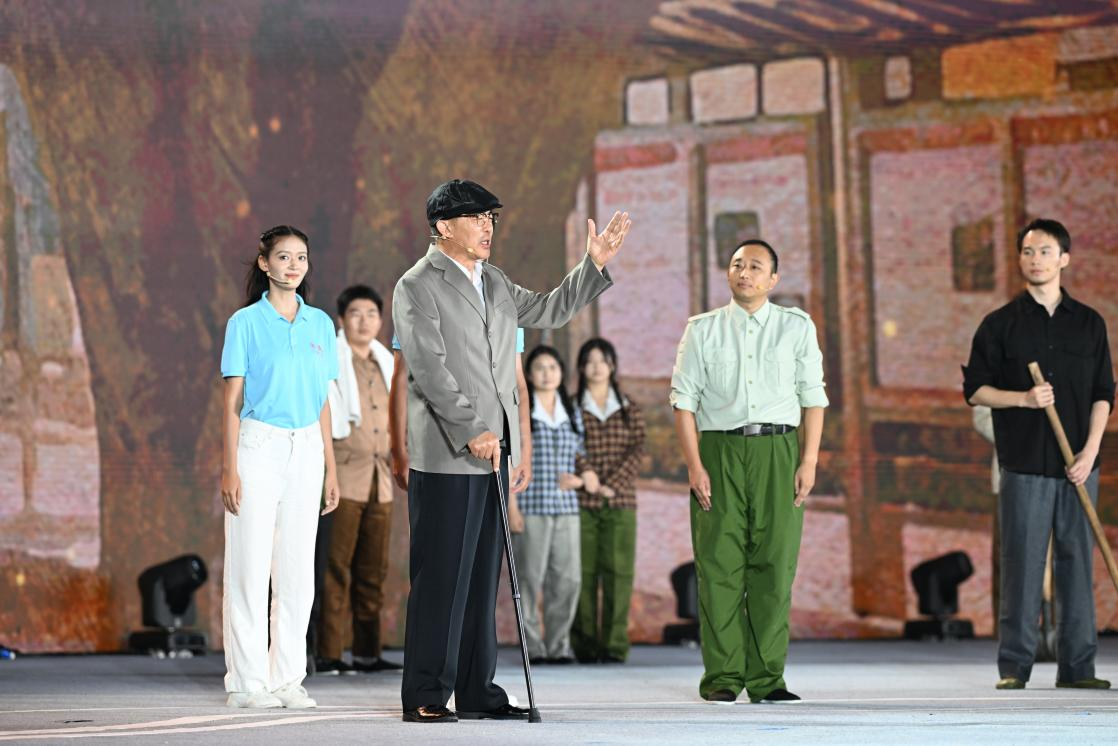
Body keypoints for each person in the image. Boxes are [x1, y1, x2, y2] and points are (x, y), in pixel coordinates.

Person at [392, 178, 629, 723]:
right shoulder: (418, 284)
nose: (487, 227)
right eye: (476, 218)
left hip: (495, 453)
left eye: (491, 219)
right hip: (449, 452)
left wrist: (592, 265)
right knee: (442, 577)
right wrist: (471, 427)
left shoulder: (494, 280)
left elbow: (548, 310)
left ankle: (478, 691)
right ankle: (426, 692)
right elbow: (428, 367)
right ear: (444, 226)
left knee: (482, 578)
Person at [670, 239, 827, 705]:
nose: (744, 272)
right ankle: (722, 676)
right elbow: (683, 402)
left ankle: (767, 679)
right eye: (737, 264)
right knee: (718, 564)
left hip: (778, 451)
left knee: (775, 565)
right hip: (719, 451)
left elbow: (813, 397)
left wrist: (809, 461)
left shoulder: (796, 327)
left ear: (773, 279)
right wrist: (695, 465)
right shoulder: (702, 330)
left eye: (756, 266)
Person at [962, 217, 1113, 691]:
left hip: (1078, 466)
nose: (1035, 259)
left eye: (1045, 251)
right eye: (1028, 251)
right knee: (1022, 565)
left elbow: (1103, 394)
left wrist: (1090, 452)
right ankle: (1015, 666)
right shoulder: (1000, 324)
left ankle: (1079, 668)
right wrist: (1023, 399)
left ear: (1064, 258)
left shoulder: (1089, 324)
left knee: (1076, 564)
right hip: (1023, 462)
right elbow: (976, 390)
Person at [219, 225, 341, 709]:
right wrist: (229, 468)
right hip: (258, 445)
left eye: (301, 258)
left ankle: (286, 678)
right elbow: (231, 401)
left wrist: (331, 468)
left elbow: (324, 401)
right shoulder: (245, 323)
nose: (293, 266)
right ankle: (247, 683)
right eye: (284, 257)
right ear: (265, 263)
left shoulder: (320, 324)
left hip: (307, 448)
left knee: (296, 572)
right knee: (250, 568)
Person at [314, 284, 402, 675]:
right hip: (344, 477)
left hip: (381, 481)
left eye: (371, 314)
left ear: (380, 321)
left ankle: (367, 652)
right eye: (355, 314)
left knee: (373, 571)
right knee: (334, 568)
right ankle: (329, 653)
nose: (364, 321)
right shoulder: (330, 362)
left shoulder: (388, 363)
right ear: (341, 320)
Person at [514, 345, 593, 665]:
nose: (547, 373)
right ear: (529, 374)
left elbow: (581, 454)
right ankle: (533, 647)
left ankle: (558, 645)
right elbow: (510, 461)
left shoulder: (571, 410)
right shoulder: (521, 410)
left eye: (552, 367)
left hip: (566, 509)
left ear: (561, 373)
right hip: (531, 506)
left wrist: (581, 478)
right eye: (539, 367)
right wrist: (512, 507)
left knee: (568, 579)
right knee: (529, 580)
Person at [388, 328, 533, 502]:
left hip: (496, 449)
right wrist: (398, 452)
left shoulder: (507, 312)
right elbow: (402, 376)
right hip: (440, 449)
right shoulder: (421, 309)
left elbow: (517, 381)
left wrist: (524, 452)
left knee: (491, 519)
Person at [571, 337, 646, 664]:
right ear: (581, 368)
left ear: (612, 366)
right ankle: (585, 646)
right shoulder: (571, 407)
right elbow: (567, 444)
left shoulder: (629, 407)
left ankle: (614, 646)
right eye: (590, 361)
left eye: (602, 360)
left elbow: (638, 449)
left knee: (619, 574)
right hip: (581, 501)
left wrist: (612, 485)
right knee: (583, 574)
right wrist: (587, 474)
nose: (596, 367)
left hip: (621, 501)